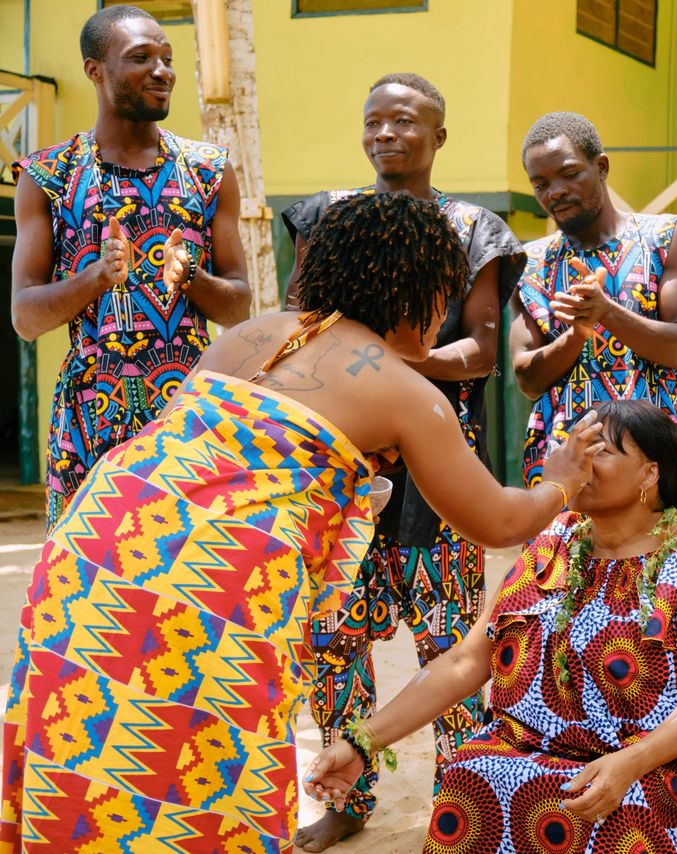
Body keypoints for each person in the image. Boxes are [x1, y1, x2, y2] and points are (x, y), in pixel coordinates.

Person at [0, 193, 603, 852]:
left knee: (86, 749)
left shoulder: (250, 334)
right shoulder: (408, 393)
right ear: (418, 293)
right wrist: (562, 480)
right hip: (208, 588)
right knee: (199, 782)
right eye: (444, 294)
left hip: (92, 552)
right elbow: (496, 519)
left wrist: (335, 501)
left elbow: (225, 463)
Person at [304, 399, 677, 852]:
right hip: (544, 756)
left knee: (622, 814)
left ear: (650, 475)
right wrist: (361, 743)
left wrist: (627, 764)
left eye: (598, 450)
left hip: (661, 766)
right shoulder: (552, 545)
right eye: (572, 447)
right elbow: (464, 661)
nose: (576, 463)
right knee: (470, 773)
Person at [280, 72, 526, 851]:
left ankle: (463, 801)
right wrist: (366, 376)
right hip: (341, 467)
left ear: (439, 137)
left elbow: (483, 350)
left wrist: (384, 370)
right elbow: (299, 325)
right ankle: (349, 796)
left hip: (435, 465)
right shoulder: (328, 217)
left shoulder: (473, 227)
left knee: (449, 643)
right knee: (336, 642)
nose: (386, 134)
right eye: (374, 121)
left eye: (405, 121)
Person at [10, 4, 250, 528]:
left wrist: (192, 278)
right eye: (141, 58)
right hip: (88, 421)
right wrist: (95, 277)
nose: (162, 70)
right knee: (87, 590)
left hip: (188, 418)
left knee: (192, 585)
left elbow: (238, 305)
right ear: (95, 70)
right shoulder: (48, 175)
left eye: (167, 58)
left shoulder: (208, 170)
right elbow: (25, 318)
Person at [512, 111, 677, 501]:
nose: (555, 192)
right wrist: (577, 334)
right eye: (540, 184)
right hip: (565, 474)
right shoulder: (530, 263)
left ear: (601, 167)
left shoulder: (665, 238)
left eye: (569, 174)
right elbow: (527, 380)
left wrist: (607, 313)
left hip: (651, 472)